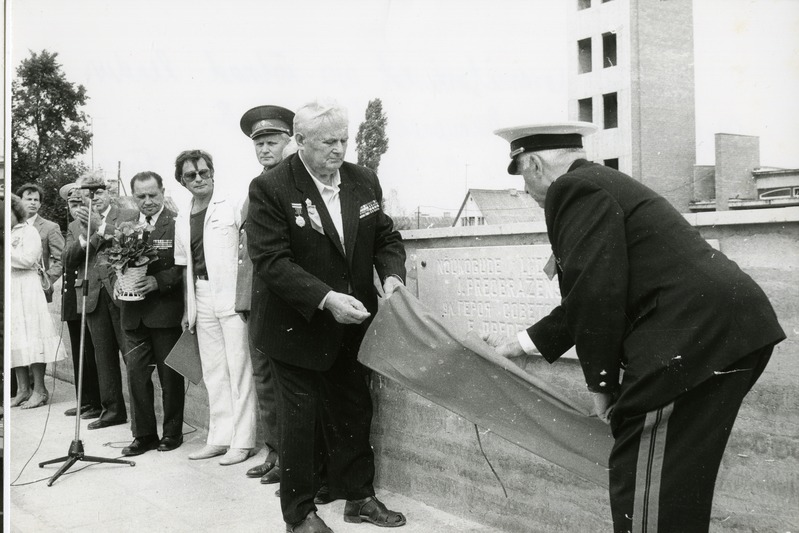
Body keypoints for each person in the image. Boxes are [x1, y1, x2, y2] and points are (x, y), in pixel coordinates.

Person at [485, 122, 786, 533]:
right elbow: (594, 288)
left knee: (645, 483)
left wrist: (601, 386)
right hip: (724, 332)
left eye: (521, 175)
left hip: (689, 336)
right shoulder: (601, 182)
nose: (527, 191)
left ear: (534, 163)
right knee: (673, 486)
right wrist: (521, 344)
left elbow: (595, 291)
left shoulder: (570, 190)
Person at [248, 100, 407, 533]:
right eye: (327, 142)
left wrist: (391, 276)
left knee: (355, 408)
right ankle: (300, 516)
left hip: (351, 324)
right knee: (299, 422)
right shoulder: (271, 188)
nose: (339, 150)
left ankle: (359, 498)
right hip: (295, 324)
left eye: (343, 140)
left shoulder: (362, 180)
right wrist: (326, 298)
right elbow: (271, 260)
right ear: (299, 142)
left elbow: (385, 236)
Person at [173, 149, 258, 465]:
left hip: (231, 294)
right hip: (201, 295)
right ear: (182, 182)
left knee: (239, 367)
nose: (199, 179)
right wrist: (187, 308)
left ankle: (243, 440)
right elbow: (184, 265)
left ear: (212, 173)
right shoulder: (183, 217)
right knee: (213, 371)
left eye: (203, 172)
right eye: (191, 175)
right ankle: (220, 437)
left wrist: (244, 296)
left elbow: (247, 250)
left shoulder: (232, 204)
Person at [237, 104, 294, 484]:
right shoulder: (256, 186)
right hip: (254, 300)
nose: (264, 149)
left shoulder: (291, 185)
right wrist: (243, 300)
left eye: (272, 142)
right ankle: (274, 451)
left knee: (289, 386)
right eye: (259, 144)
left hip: (283, 301)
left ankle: (292, 460)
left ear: (290, 141)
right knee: (265, 382)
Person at [115, 171, 186, 457]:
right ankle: (143, 434)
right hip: (132, 314)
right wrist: (120, 281)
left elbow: (183, 268)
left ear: (162, 192)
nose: (147, 202)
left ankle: (172, 433)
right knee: (136, 376)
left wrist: (159, 281)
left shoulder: (176, 225)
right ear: (133, 197)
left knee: (170, 377)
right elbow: (115, 263)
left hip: (164, 313)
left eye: (152, 195)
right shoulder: (126, 226)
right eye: (141, 196)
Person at [64, 172, 136, 430]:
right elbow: (68, 259)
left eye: (99, 192)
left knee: (132, 356)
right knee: (102, 357)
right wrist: (88, 235)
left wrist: (99, 226)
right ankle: (113, 410)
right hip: (92, 296)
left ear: (109, 193)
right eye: (87, 194)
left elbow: (132, 240)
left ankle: (141, 414)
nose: (94, 198)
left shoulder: (127, 216)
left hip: (120, 294)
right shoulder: (75, 225)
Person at [9, 194, 67, 408]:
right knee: (15, 337)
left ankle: (40, 390)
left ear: (16, 212)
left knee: (33, 336)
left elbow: (27, 259)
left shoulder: (29, 231)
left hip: (28, 288)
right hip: (11, 288)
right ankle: (23, 389)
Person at [58, 183, 102, 419]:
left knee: (93, 350)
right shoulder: (73, 227)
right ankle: (84, 399)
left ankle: (97, 401)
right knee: (78, 348)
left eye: (79, 203)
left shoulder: (94, 223)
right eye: (72, 204)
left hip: (91, 293)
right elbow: (68, 258)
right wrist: (81, 240)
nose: (76, 209)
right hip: (73, 295)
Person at [16, 183, 64, 302]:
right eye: (28, 199)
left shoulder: (50, 227)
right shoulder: (10, 225)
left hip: (36, 288)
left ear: (40, 204)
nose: (33, 203)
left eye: (36, 200)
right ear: (19, 202)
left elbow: (63, 258)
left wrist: (45, 278)